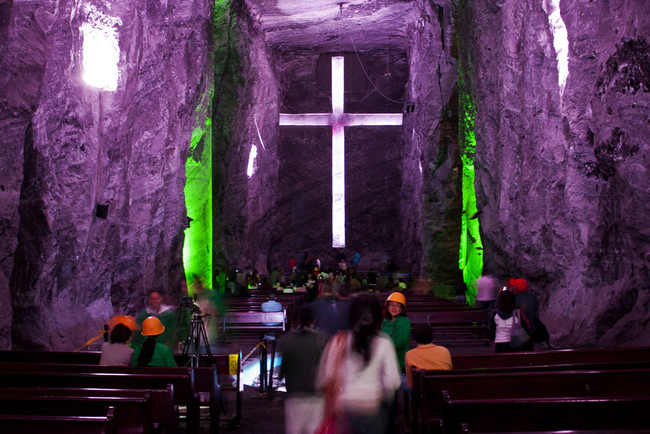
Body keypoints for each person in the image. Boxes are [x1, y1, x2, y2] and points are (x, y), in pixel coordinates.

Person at [317, 293, 401, 433]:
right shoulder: (384, 343)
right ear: (377, 318)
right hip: (373, 409)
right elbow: (393, 382)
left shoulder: (339, 342)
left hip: (346, 410)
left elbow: (327, 376)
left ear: (351, 317)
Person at [279, 305, 328, 434]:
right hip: (316, 393)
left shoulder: (288, 340)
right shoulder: (322, 339)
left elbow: (283, 368)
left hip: (294, 393)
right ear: (314, 320)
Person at [405, 324, 452, 389]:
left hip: (422, 390)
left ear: (415, 339)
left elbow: (410, 383)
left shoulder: (409, 354)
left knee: (401, 378)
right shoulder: (444, 350)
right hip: (444, 388)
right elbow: (450, 370)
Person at [381, 292, 411, 372]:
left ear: (402, 308)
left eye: (397, 305)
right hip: (385, 362)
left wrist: (382, 346)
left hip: (398, 364)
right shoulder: (386, 321)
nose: (394, 308)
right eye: (391, 305)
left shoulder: (404, 321)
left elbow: (400, 343)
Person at [489, 289, 522, 353]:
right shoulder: (517, 314)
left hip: (499, 343)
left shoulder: (495, 314)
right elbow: (526, 326)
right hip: (514, 343)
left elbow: (492, 331)